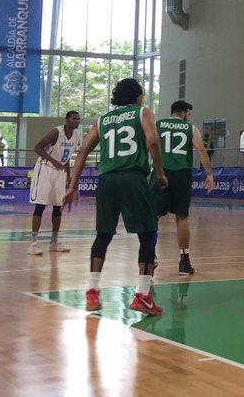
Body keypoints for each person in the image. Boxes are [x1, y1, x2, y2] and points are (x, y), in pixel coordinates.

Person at [64, 78, 168, 316]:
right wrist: (160, 174)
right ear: (138, 96)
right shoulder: (142, 112)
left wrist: (72, 186)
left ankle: (92, 291)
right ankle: (142, 295)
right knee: (148, 234)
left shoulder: (102, 120)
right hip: (132, 178)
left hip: (107, 180)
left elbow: (82, 152)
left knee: (103, 235)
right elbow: (152, 141)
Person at [153, 99, 215, 276]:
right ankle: (184, 262)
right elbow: (201, 150)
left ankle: (150, 255)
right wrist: (209, 174)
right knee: (182, 218)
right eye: (188, 113)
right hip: (182, 173)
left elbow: (148, 143)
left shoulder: (158, 125)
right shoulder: (191, 129)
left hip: (161, 172)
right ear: (181, 112)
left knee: (154, 215)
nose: (189, 117)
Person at [28, 110, 82, 255]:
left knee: (59, 207)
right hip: (45, 169)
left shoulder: (76, 135)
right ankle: (33, 244)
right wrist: (53, 160)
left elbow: (67, 158)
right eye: (73, 118)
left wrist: (69, 177)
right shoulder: (56, 132)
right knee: (40, 206)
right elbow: (37, 147)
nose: (76, 121)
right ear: (67, 119)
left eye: (78, 119)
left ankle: (54, 242)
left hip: (60, 172)